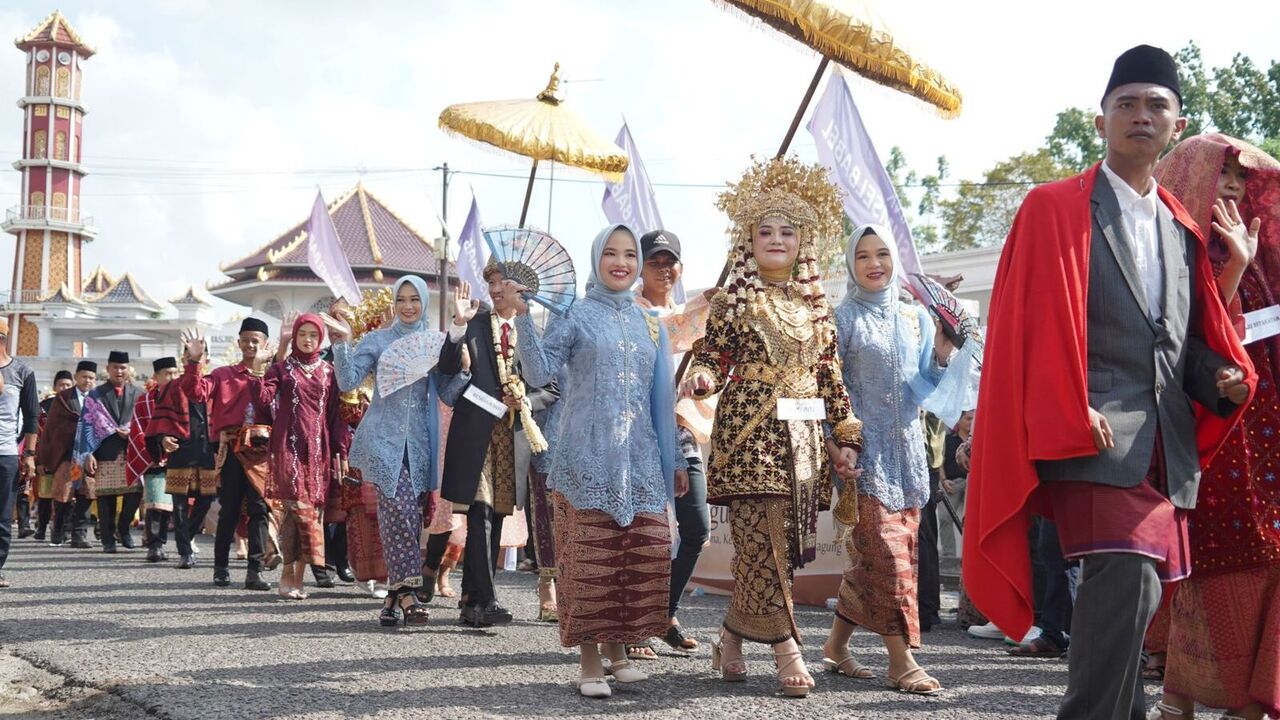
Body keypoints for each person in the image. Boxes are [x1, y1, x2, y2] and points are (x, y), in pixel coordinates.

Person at [963, 45, 1253, 720]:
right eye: (1127, 104)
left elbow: (1182, 342)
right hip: (1089, 429)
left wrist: (1220, 378)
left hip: (1164, 444)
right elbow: (1025, 325)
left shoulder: (1182, 227)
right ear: (1101, 122)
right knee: (1124, 574)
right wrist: (1065, 404)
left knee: (1141, 593)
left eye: (1156, 105)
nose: (1141, 115)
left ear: (1177, 126)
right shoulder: (1052, 207)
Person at [684, 159, 862, 699]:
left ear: (803, 241)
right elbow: (711, 355)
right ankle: (788, 648)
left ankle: (730, 637)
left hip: (804, 443)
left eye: (787, 231)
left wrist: (846, 436)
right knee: (759, 539)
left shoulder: (817, 308)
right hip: (748, 437)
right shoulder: (734, 300)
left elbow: (830, 376)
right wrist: (702, 376)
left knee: (775, 549)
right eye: (766, 231)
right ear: (749, 241)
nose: (777, 240)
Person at [516, 223, 687, 699]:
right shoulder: (574, 314)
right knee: (590, 559)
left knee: (634, 553)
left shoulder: (648, 320)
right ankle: (589, 660)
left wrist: (672, 457)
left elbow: (660, 399)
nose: (621, 262)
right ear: (596, 259)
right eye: (611, 253)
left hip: (639, 459)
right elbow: (540, 372)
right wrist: (524, 319)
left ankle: (618, 651)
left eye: (630, 254)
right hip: (585, 457)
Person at [1148, 133, 1280, 720]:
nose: (1232, 186)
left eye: (1240, 177)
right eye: (1221, 173)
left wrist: (1248, 260)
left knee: (1269, 550)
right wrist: (1234, 268)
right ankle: (1180, 697)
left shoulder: (1252, 248)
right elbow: (1193, 343)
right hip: (1215, 428)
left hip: (1266, 427)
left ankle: (1250, 697)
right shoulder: (1174, 252)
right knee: (1217, 552)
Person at [819, 224, 959, 695]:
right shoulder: (840, 320)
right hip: (861, 458)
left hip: (909, 457)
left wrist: (940, 353)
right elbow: (825, 393)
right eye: (862, 256)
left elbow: (919, 390)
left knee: (872, 562)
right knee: (889, 558)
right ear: (850, 264)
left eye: (881, 253)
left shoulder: (912, 316)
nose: (874, 263)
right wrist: (834, 447)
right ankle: (902, 662)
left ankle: (836, 646)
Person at [431, 260, 557, 627]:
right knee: (481, 511)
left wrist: (525, 400)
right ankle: (487, 600)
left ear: (524, 291)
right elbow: (447, 367)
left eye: (506, 283)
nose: (497, 288)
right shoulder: (473, 322)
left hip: (511, 436)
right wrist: (457, 325)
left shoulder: (533, 333)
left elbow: (550, 388)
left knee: (496, 516)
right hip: (475, 434)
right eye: (493, 282)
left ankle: (472, 601)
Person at [331, 276, 442, 627]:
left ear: (424, 302)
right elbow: (348, 381)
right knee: (401, 509)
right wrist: (343, 343)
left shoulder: (433, 344)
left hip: (419, 444)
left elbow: (450, 390)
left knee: (407, 518)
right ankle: (409, 594)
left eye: (415, 299)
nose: (408, 306)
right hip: (382, 440)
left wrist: (462, 359)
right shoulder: (378, 340)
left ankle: (391, 600)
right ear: (393, 303)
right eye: (401, 299)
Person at [634, 229, 713, 654]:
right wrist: (699, 309)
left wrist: (700, 379)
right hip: (639, 434)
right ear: (640, 267)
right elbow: (665, 332)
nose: (664, 269)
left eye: (671, 262)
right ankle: (632, 626)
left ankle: (664, 612)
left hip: (681, 433)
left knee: (696, 528)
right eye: (655, 262)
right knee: (644, 533)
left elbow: (703, 365)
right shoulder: (631, 311)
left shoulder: (692, 316)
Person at [255, 313, 349, 600]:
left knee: (312, 514)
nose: (307, 340)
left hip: (318, 452)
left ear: (321, 339)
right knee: (298, 510)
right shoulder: (282, 369)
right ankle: (287, 575)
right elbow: (262, 401)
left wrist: (341, 451)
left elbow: (336, 417)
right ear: (294, 336)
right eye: (302, 334)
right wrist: (259, 366)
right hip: (288, 448)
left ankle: (296, 579)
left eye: (313, 335)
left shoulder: (329, 372)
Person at [179, 319, 274, 591]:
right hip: (231, 448)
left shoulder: (273, 376)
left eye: (256, 340)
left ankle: (255, 571)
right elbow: (195, 392)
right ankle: (220, 568)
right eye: (246, 340)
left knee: (259, 509)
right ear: (239, 342)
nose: (251, 344)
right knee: (229, 509)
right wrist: (194, 362)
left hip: (262, 451)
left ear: (265, 343)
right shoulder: (223, 375)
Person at [148, 346, 217, 570]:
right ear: (184, 360)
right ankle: (185, 552)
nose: (193, 360)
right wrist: (163, 438)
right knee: (179, 504)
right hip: (181, 451)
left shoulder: (214, 383)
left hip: (207, 451)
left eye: (198, 356)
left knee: (206, 500)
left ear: (206, 359)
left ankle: (187, 536)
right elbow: (160, 420)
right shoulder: (172, 386)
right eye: (188, 357)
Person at [77, 351, 143, 554]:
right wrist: (88, 453)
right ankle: (107, 538)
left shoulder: (139, 394)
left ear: (128, 369)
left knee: (135, 494)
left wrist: (132, 432)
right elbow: (86, 424)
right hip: (104, 451)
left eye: (123, 367)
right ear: (108, 369)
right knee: (106, 498)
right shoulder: (95, 395)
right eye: (115, 367)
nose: (119, 371)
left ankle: (123, 528)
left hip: (132, 452)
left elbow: (144, 421)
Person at [0, 319, 39, 588]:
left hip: (5, 453)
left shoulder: (22, 372)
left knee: (2, 517)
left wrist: (29, 454)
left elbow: (32, 416)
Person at [41, 362, 97, 548]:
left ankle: (79, 534)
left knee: (86, 493)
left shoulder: (98, 399)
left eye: (91, 378)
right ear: (76, 377)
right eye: (84, 377)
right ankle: (58, 529)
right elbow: (54, 427)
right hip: (67, 454)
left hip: (90, 456)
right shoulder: (64, 398)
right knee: (64, 493)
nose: (87, 381)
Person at [131, 358, 179, 563]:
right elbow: (138, 430)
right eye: (167, 373)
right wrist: (153, 451)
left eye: (175, 373)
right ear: (156, 377)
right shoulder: (144, 401)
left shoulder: (185, 398)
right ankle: (155, 546)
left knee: (174, 505)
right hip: (154, 459)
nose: (172, 377)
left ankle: (178, 544)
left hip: (179, 458)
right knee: (156, 504)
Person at [32, 370, 75, 541]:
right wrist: (39, 461)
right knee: (45, 495)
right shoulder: (44, 407)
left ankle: (65, 529)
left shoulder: (77, 403)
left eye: (68, 385)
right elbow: (37, 436)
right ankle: (42, 527)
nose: (64, 387)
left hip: (69, 457)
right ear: (55, 387)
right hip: (49, 457)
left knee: (68, 495)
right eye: (61, 385)